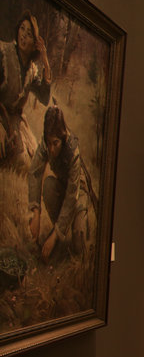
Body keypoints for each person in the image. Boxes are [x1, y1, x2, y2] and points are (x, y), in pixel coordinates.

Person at [28, 106, 93, 262]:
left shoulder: (72, 151)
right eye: (48, 143)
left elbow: (71, 197)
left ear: (62, 138)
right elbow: (35, 173)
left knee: (79, 247)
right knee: (49, 186)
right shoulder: (46, 143)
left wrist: (55, 234)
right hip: (62, 187)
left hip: (78, 193)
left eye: (55, 143)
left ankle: (76, 226)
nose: (51, 149)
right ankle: (58, 234)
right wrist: (35, 211)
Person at [1, 11, 52, 173]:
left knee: (29, 164)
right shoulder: (4, 54)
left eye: (29, 34)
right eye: (22, 29)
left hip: (14, 121)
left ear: (34, 44)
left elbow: (44, 97)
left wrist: (45, 61)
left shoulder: (31, 70)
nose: (23, 35)